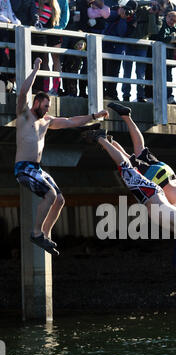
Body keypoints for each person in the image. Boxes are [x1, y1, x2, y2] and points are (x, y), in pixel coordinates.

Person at [83, 124, 176, 275]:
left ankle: (107, 140)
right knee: (125, 166)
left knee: (128, 166)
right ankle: (101, 138)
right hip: (150, 193)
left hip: (151, 194)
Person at [14, 57, 108, 255]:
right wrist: (36, 69)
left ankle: (45, 235)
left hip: (36, 168)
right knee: (50, 195)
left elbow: (70, 121)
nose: (47, 109)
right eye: (45, 106)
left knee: (59, 199)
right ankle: (36, 233)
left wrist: (94, 117)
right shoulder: (24, 114)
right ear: (37, 102)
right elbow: (23, 92)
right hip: (23, 167)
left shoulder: (47, 121)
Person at [121, 2, 160, 103]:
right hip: (129, 44)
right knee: (127, 73)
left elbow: (153, 31)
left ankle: (141, 96)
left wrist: (151, 14)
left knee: (140, 73)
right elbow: (134, 3)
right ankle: (126, 96)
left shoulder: (148, 12)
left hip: (142, 46)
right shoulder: (131, 6)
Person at [102, 1, 137, 101]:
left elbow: (122, 33)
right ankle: (102, 92)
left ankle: (111, 93)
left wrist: (123, 18)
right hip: (105, 46)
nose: (127, 11)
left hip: (117, 49)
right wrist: (117, 13)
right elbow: (107, 18)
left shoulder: (132, 20)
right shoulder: (115, 12)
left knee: (113, 72)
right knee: (102, 70)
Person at [32, 0, 61, 93]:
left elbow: (57, 20)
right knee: (44, 60)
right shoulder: (36, 2)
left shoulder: (55, 5)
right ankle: (45, 88)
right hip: (40, 35)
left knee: (56, 58)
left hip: (52, 33)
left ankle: (56, 88)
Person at [155, 10, 176, 104]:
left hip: (168, 58)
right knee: (155, 76)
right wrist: (170, 39)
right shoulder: (162, 24)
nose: (172, 22)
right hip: (157, 56)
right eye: (171, 19)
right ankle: (156, 97)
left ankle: (169, 97)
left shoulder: (175, 28)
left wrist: (174, 40)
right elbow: (160, 37)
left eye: (174, 21)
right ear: (167, 17)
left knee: (169, 78)